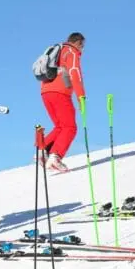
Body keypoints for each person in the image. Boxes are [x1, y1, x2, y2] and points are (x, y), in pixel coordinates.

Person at [40, 32, 86, 172]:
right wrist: (81, 97)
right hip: (60, 93)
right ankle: (55, 158)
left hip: (45, 91)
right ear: (78, 43)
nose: (82, 49)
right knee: (70, 127)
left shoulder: (57, 50)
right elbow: (74, 73)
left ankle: (42, 152)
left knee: (60, 126)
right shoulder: (72, 52)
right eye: (82, 46)